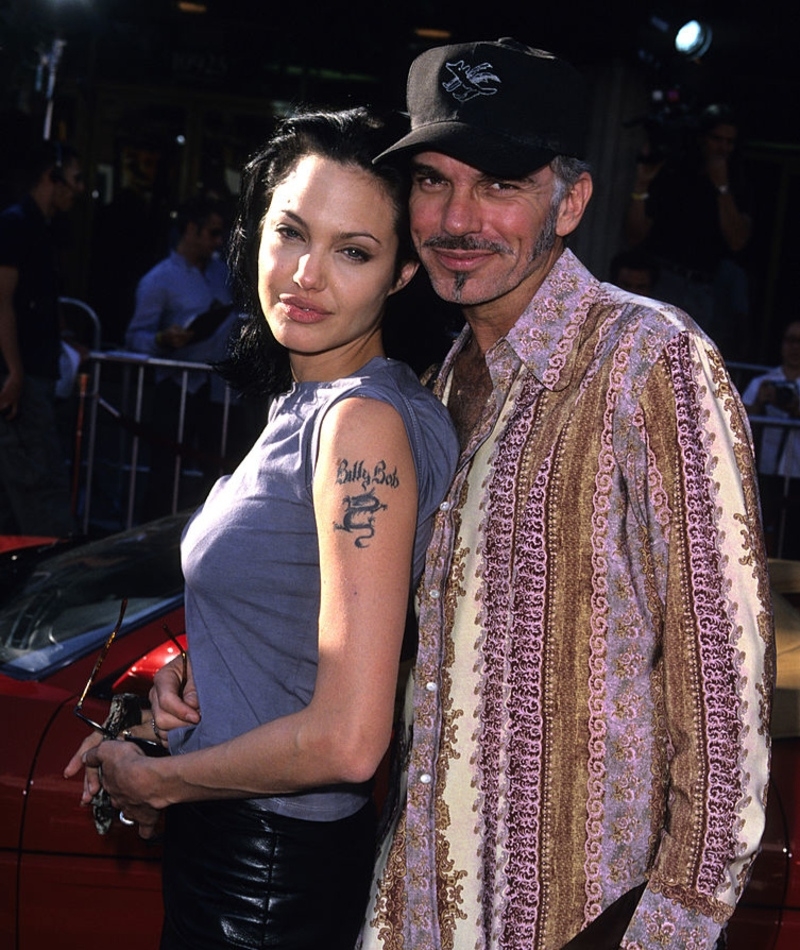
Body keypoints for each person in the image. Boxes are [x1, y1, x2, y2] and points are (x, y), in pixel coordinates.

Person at [351, 38, 766, 949]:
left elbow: (725, 684)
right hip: (418, 908)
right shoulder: (440, 380)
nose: (458, 217)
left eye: (499, 185)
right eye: (432, 181)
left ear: (570, 201)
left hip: (581, 919)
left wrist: (668, 929)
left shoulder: (649, 360)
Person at [65, 107, 460, 950]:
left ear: (400, 274)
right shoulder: (321, 401)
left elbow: (350, 741)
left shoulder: (359, 424)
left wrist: (159, 782)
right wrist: (192, 682)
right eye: (291, 232)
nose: (307, 275)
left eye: (353, 250)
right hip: (255, 860)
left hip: (265, 885)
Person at [124, 193, 244, 519]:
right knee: (166, 472)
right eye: (213, 233)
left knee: (217, 473)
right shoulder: (159, 279)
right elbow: (135, 337)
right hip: (176, 387)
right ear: (192, 230)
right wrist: (164, 339)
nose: (218, 242)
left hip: (219, 390)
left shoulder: (222, 273)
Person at [0, 138, 85, 536]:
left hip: (33, 371)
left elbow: (40, 300)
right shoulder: (17, 224)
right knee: (39, 490)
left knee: (23, 489)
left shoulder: (40, 228)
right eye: (75, 179)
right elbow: (3, 302)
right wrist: (14, 372)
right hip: (23, 376)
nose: (80, 189)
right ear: (53, 177)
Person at [624, 103, 752, 357]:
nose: (722, 148)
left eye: (729, 142)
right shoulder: (676, 172)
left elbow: (738, 241)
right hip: (664, 279)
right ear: (703, 139)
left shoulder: (738, 181)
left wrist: (722, 187)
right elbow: (634, 235)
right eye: (717, 139)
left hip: (705, 288)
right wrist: (641, 185)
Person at [741, 320, 800, 558]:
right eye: (791, 340)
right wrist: (761, 403)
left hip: (796, 472)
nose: (795, 347)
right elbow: (740, 419)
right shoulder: (762, 382)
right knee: (760, 532)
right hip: (765, 470)